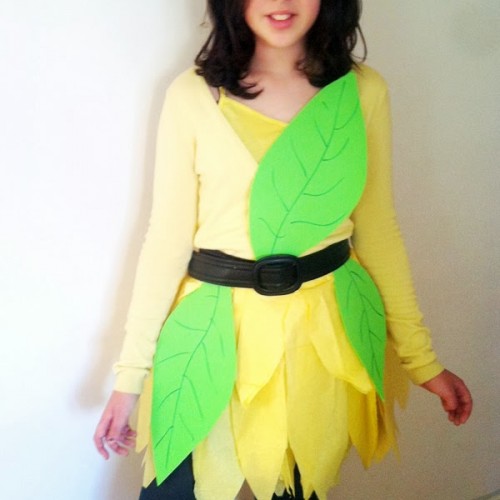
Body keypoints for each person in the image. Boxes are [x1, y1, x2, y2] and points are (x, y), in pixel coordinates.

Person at [93, 1, 473, 499]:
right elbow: (166, 238)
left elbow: (379, 231)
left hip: (321, 339)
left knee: (296, 491)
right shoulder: (192, 94)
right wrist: (130, 378)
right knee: (175, 488)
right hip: (210, 333)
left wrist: (422, 361)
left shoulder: (363, 93)